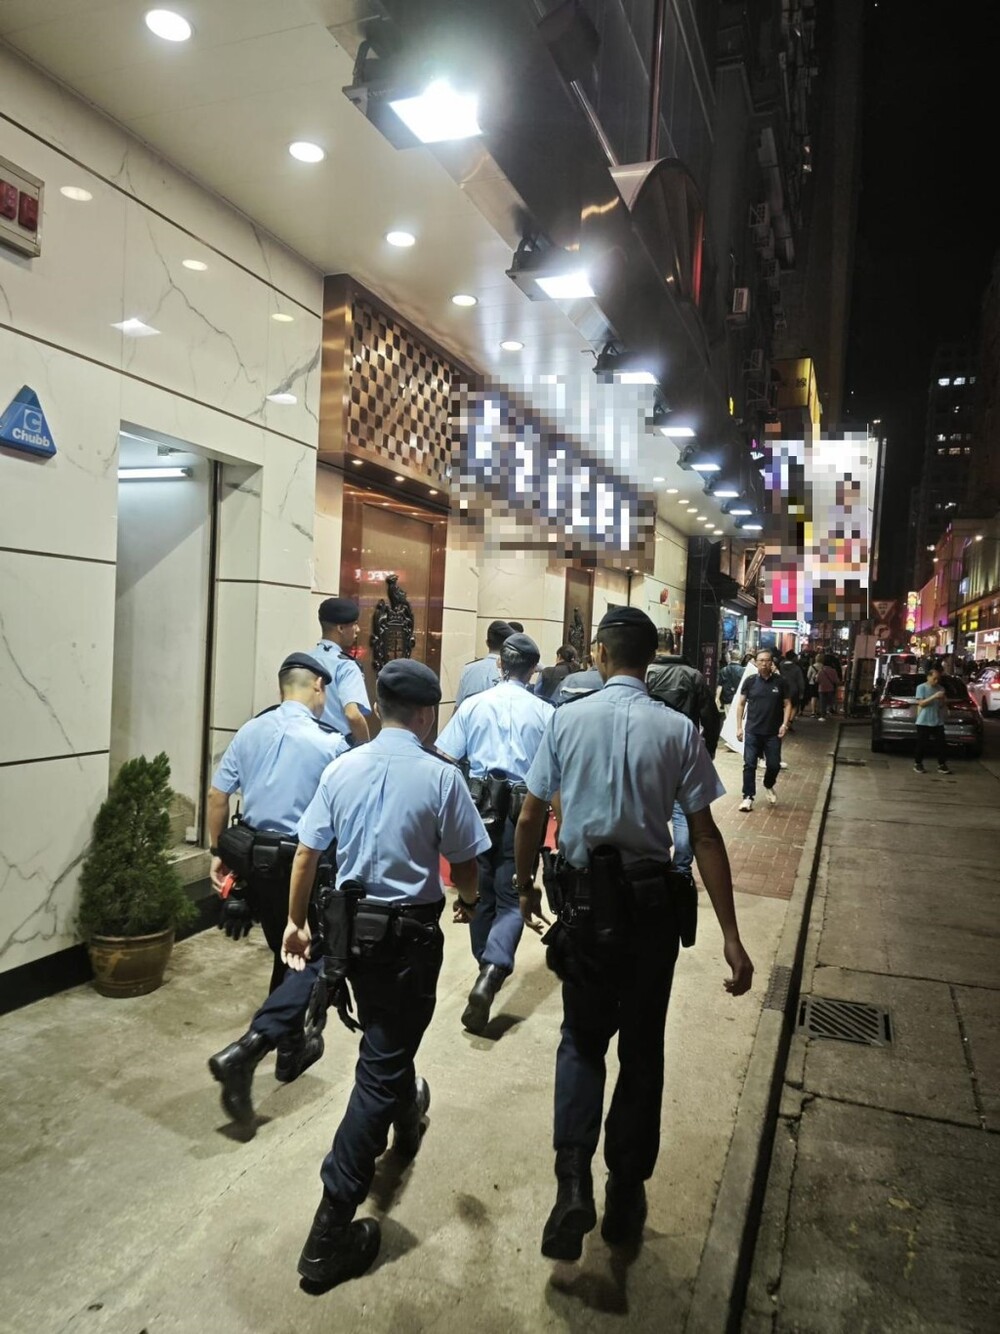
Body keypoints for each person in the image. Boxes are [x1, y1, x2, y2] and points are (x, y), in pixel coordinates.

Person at [513, 607, 754, 1260]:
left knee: (581, 1042)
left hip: (584, 910)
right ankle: (624, 1195)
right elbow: (705, 836)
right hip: (651, 915)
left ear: (599, 654)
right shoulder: (678, 730)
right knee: (642, 1050)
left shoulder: (565, 721)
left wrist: (525, 884)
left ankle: (572, 1187)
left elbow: (531, 816)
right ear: (651, 660)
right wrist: (732, 935)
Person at [281, 659, 491, 1290]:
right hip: (408, 941)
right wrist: (471, 902)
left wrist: (296, 923)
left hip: (350, 939)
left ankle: (408, 1111)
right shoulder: (441, 777)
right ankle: (327, 1233)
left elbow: (307, 852)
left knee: (385, 1038)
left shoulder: (342, 767)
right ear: (426, 715)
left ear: (379, 707)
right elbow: (466, 863)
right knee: (381, 1063)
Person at [206, 654, 350, 1109]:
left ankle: (290, 1051)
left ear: (281, 688)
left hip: (255, 863)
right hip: (303, 868)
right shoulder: (330, 743)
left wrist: (218, 853)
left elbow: (216, 796)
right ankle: (250, 1047)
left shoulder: (250, 731)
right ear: (318, 686)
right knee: (319, 958)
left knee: (286, 954)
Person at [436, 633, 553, 1032]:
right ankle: (493, 968)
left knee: (478, 892)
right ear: (533, 670)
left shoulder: (474, 705)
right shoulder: (545, 712)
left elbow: (446, 757)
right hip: (522, 813)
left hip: (476, 804)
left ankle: (484, 965)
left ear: (500, 665)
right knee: (513, 893)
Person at [645, 647, 721, 885]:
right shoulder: (693, 675)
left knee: (649, 807)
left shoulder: (645, 673)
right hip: (683, 748)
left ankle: (652, 863)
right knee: (683, 812)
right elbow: (711, 716)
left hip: (649, 748)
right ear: (674, 648)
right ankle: (681, 869)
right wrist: (709, 750)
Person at [735, 649, 792, 811]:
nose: (763, 663)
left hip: (773, 732)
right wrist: (739, 727)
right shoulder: (750, 681)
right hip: (752, 731)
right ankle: (747, 797)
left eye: (767, 660)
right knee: (749, 764)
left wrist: (785, 724)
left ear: (771, 662)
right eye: (760, 660)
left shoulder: (780, 682)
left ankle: (768, 783)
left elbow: (788, 704)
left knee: (774, 765)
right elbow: (741, 704)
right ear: (756, 662)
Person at [309, 597, 372, 745]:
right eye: (354, 624)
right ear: (341, 628)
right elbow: (353, 715)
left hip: (308, 743)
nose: (358, 629)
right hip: (338, 746)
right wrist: (366, 748)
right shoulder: (346, 666)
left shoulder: (306, 660)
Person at [454, 620, 514, 707]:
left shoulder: (468, 670)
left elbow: (458, 708)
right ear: (507, 646)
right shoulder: (511, 671)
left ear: (487, 643)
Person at [912, 665, 953, 775]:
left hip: (937, 720)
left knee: (941, 744)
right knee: (922, 744)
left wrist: (943, 700)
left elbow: (941, 705)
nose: (936, 681)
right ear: (928, 677)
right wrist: (934, 696)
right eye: (934, 678)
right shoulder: (921, 688)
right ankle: (918, 763)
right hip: (923, 720)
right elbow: (921, 703)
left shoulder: (941, 689)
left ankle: (942, 764)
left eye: (938, 679)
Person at [777, 650, 807, 730]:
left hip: (781, 688)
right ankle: (789, 722)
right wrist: (802, 692)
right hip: (794, 690)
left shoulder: (780, 665)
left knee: (783, 705)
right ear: (793, 658)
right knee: (794, 706)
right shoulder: (797, 668)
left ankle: (784, 722)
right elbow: (800, 681)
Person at [716, 652, 745, 716]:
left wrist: (717, 699)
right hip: (740, 700)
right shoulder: (743, 671)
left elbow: (720, 687)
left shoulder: (724, 670)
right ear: (740, 658)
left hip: (727, 700)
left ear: (730, 658)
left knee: (728, 718)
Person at [816, 656, 839, 720]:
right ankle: (828, 712)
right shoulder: (833, 671)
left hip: (821, 689)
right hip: (830, 689)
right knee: (829, 702)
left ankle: (823, 715)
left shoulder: (821, 671)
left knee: (822, 702)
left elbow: (817, 680)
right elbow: (836, 680)